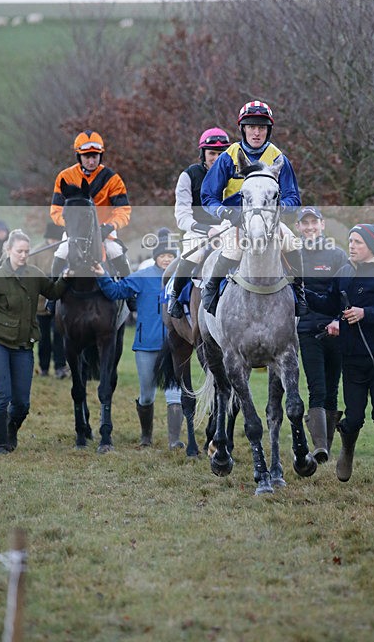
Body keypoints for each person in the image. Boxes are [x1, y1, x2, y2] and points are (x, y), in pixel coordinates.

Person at [305, 223, 374, 491]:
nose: (351, 246)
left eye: (358, 242)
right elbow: (329, 303)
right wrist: (302, 292)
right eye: (350, 241)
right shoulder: (343, 273)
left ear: (372, 246)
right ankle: (347, 452)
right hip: (351, 357)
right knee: (353, 417)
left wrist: (367, 313)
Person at [200, 100, 307, 316]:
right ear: (243, 129)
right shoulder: (228, 156)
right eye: (251, 127)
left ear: (268, 130)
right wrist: (223, 212)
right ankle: (211, 290)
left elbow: (293, 197)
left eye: (261, 128)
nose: (256, 133)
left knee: (292, 244)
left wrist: (278, 209)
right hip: (235, 220)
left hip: (269, 222)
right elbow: (208, 195)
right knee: (233, 249)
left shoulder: (279, 158)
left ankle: (299, 290)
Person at [0, 229, 68, 454]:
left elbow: (53, 292)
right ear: (8, 250)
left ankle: (10, 427)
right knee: (2, 394)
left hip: (23, 345)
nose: (23, 255)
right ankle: (0, 445)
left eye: (26, 251)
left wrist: (67, 277)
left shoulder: (34, 274)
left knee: (22, 403)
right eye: (19, 251)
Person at [92, 228, 185, 450]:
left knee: (175, 394)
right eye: (163, 256)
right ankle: (146, 435)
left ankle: (175, 441)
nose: (166, 260)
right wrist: (101, 275)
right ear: (156, 257)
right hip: (146, 345)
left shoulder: (181, 278)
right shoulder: (142, 277)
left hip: (174, 346)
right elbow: (115, 292)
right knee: (146, 395)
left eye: (171, 256)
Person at [296, 206, 347, 464]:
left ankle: (325, 444)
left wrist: (339, 319)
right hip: (307, 331)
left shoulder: (337, 255)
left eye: (313, 223)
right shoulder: (293, 256)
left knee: (332, 389)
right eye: (304, 224)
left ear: (322, 225)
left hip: (336, 332)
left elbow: (345, 293)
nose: (309, 227)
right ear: (298, 228)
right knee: (316, 387)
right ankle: (320, 447)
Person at [50, 130, 132, 280]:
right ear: (79, 156)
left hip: (103, 229)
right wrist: (69, 224)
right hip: (74, 230)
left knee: (116, 251)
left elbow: (123, 210)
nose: (91, 161)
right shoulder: (65, 177)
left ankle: (130, 296)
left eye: (94, 156)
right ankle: (51, 298)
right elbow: (56, 210)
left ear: (100, 156)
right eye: (87, 157)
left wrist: (111, 226)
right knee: (61, 253)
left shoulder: (112, 179)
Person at [167, 126, 230, 319]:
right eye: (212, 153)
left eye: (221, 153)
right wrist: (206, 229)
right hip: (198, 231)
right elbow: (182, 215)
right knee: (194, 255)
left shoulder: (234, 174)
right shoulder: (188, 176)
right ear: (203, 153)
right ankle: (174, 297)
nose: (216, 158)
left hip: (227, 229)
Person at [31, 222, 69, 378]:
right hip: (40, 304)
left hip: (59, 302)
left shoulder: (64, 252)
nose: (53, 242)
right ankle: (44, 367)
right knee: (43, 338)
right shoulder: (36, 253)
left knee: (59, 336)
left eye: (56, 239)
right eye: (51, 239)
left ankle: (60, 366)